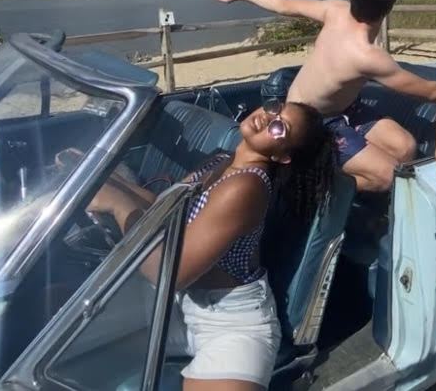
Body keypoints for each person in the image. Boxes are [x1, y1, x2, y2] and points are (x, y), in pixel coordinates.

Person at [84, 99, 335, 391]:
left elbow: (170, 274)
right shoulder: (221, 160)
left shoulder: (247, 186)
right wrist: (102, 179)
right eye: (273, 108)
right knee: (59, 321)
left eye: (280, 128)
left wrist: (119, 205)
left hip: (230, 325)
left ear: (282, 156)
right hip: (178, 306)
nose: (269, 118)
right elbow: (165, 210)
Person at [208, 0, 436, 193]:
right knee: (387, 176)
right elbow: (433, 91)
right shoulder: (368, 56)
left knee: (405, 147)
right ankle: (313, 180)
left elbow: (283, 4)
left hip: (341, 109)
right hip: (309, 123)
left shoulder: (335, 9)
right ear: (390, 5)